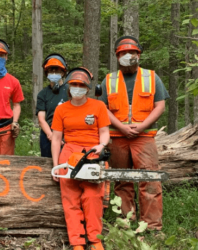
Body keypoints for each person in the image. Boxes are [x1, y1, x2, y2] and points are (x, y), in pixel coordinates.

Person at [99, 36, 169, 231]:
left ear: (138, 54)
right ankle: (125, 226)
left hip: (144, 137)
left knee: (150, 181)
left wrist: (141, 126)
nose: (127, 56)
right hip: (117, 138)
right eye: (122, 53)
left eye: (131, 52)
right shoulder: (109, 79)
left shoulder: (152, 77)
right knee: (122, 182)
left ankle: (153, 228)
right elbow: (102, 108)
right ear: (117, 56)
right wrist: (121, 126)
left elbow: (160, 105)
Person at [51, 67, 110, 250]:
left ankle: (95, 239)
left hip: (92, 152)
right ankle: (76, 241)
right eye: (74, 84)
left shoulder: (98, 106)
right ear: (68, 87)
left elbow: (105, 133)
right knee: (70, 199)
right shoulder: (61, 109)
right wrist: (56, 165)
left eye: (81, 85)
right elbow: (56, 138)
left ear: (87, 87)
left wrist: (101, 146)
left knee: (93, 197)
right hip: (69, 154)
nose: (77, 88)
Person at [36, 53, 69, 158]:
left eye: (57, 70)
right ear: (47, 73)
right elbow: (41, 119)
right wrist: (51, 135)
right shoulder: (43, 94)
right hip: (48, 135)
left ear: (63, 72)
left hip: (68, 135)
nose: (54, 73)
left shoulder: (70, 90)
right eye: (51, 70)